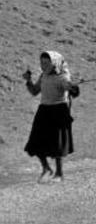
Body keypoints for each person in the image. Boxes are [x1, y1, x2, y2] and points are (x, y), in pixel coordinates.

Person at [23, 51, 79, 183]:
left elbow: (70, 89)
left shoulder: (63, 77)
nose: (43, 66)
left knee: (57, 144)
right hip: (44, 110)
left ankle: (59, 174)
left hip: (58, 111)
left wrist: (73, 88)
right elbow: (34, 91)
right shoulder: (44, 76)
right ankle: (46, 168)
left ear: (54, 63)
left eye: (46, 63)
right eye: (41, 63)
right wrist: (28, 81)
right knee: (35, 143)